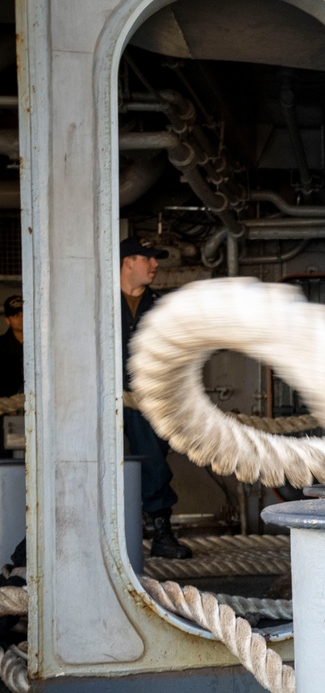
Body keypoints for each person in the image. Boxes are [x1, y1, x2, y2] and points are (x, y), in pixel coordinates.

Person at [120, 236, 191, 560]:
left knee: (153, 462)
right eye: (146, 258)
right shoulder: (100, 304)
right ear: (127, 263)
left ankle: (162, 533)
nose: (155, 264)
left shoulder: (161, 306)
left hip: (146, 399)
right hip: (100, 398)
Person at [0, 293, 24, 398]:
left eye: (24, 313)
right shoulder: (2, 345)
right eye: (16, 315)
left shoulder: (42, 343)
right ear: (7, 320)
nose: (21, 318)